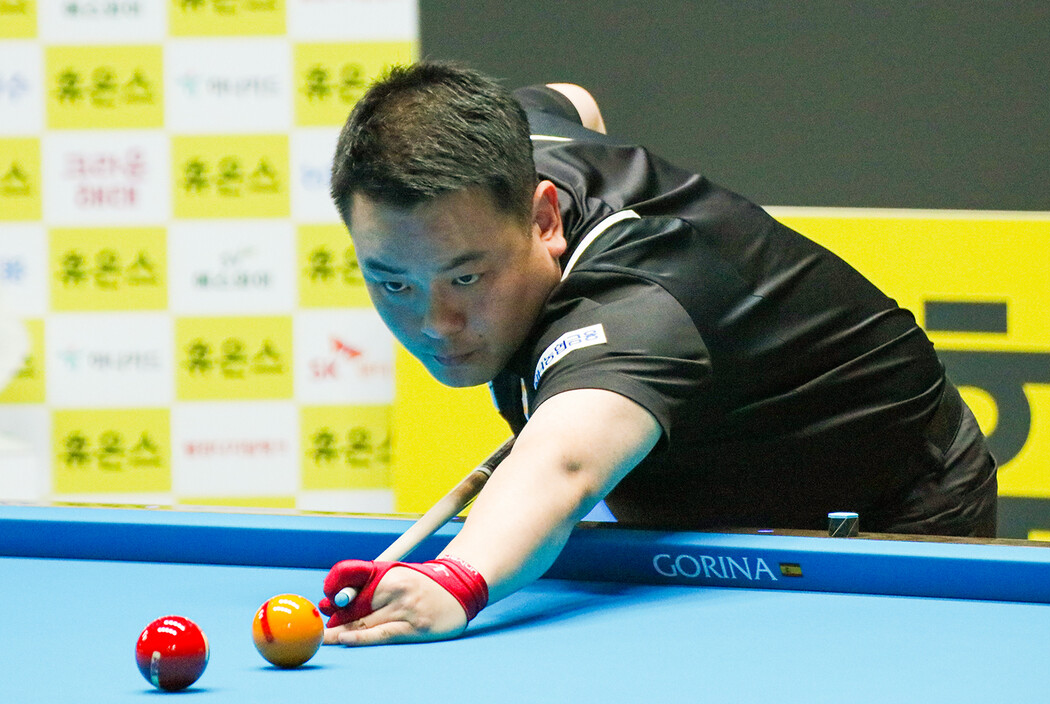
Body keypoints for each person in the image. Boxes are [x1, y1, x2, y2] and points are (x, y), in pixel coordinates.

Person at [319, 61, 998, 645]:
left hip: (886, 502)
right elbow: (570, 100)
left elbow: (565, 466)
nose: (437, 323)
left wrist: (457, 579)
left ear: (544, 218)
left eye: (466, 277)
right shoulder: (515, 143)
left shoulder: (639, 305)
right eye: (394, 284)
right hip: (704, 495)